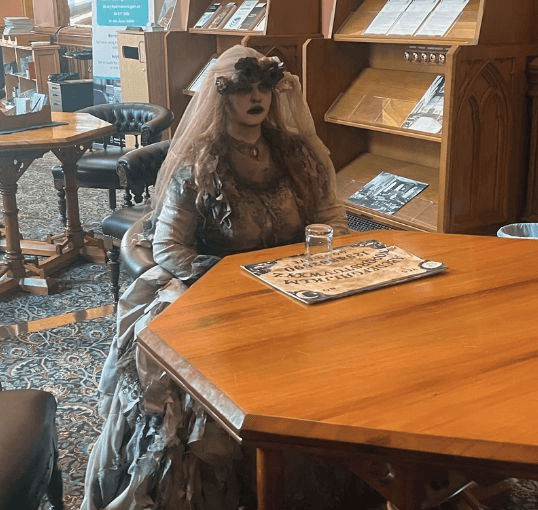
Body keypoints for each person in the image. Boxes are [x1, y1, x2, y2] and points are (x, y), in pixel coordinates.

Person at [81, 45, 382, 509]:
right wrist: (236, 278)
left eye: (263, 88)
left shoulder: (298, 152)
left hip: (299, 287)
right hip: (222, 295)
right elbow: (170, 248)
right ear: (222, 98)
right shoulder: (199, 162)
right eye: (243, 90)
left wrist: (319, 262)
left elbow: (331, 217)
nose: (256, 98)